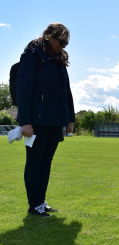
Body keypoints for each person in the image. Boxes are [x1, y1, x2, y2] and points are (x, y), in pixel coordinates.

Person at [17, 23, 75, 218]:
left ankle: (41, 202)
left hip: (55, 119)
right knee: (35, 162)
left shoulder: (58, 59)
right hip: (36, 121)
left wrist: (69, 119)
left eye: (67, 42)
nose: (64, 46)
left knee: (46, 162)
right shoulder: (32, 56)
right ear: (49, 37)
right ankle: (34, 205)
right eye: (62, 41)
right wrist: (25, 121)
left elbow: (66, 90)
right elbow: (23, 89)